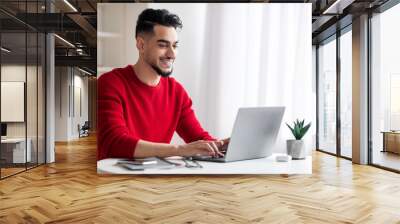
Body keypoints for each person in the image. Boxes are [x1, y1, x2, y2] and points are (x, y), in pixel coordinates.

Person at [97, 8, 228, 160]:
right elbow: (115, 143)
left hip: (154, 177)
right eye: (163, 45)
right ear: (141, 45)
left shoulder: (176, 92)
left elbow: (198, 138)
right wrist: (180, 149)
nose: (172, 54)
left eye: (175, 45)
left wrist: (224, 145)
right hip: (115, 179)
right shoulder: (110, 83)